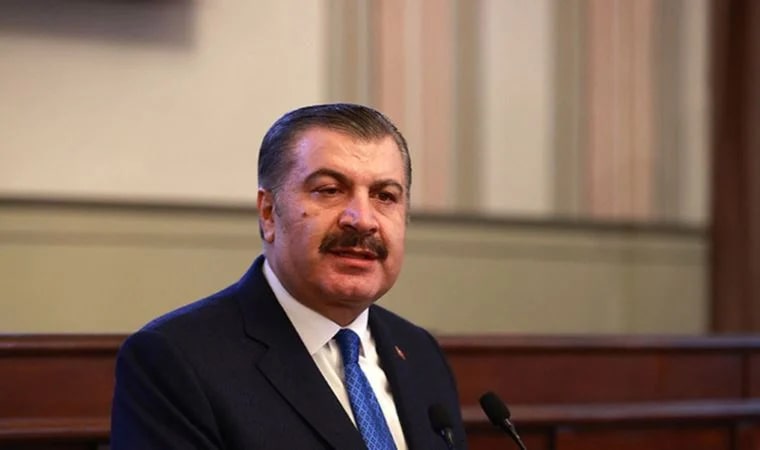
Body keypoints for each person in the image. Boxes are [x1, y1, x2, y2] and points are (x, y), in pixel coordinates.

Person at [110, 103, 467, 449]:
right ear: (268, 213)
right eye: (330, 190)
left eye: (385, 196)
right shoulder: (176, 360)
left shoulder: (420, 352)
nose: (362, 219)